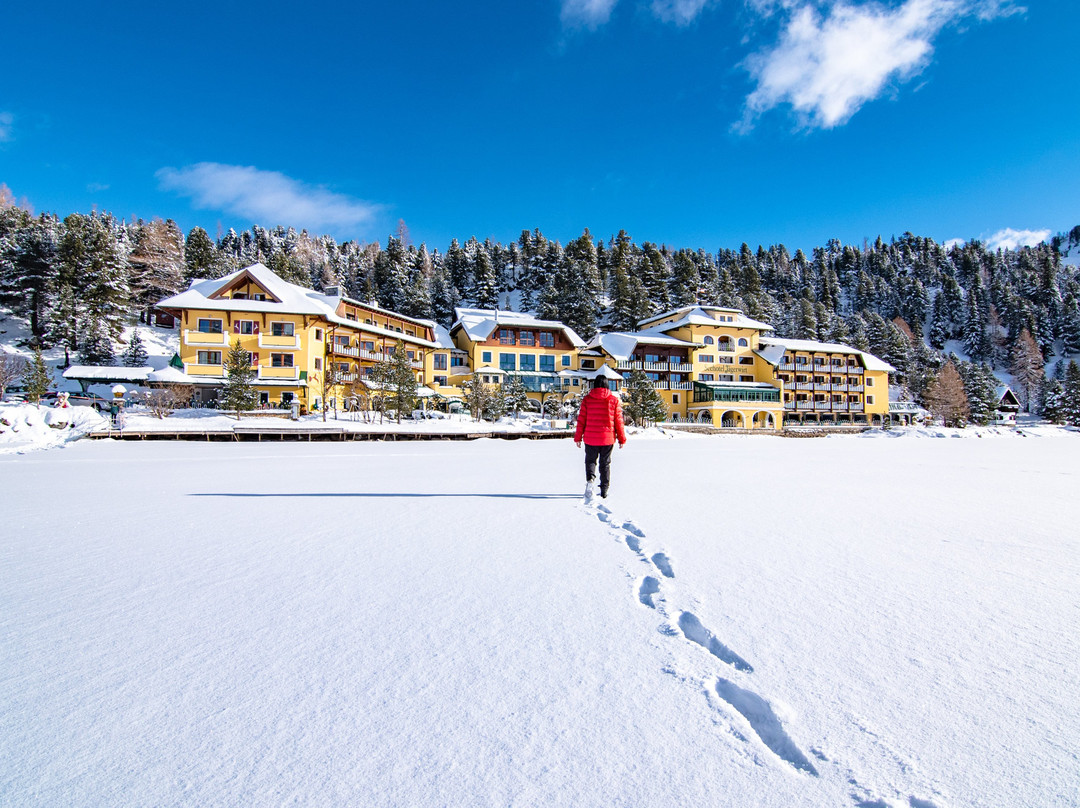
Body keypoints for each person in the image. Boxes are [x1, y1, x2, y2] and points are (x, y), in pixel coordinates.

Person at [574, 376, 627, 500]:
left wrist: (578, 437)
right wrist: (621, 439)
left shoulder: (587, 400)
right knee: (605, 464)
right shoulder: (614, 400)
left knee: (590, 461)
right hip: (607, 438)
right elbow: (619, 421)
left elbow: (581, 419)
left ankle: (590, 480)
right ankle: (604, 489)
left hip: (590, 437)